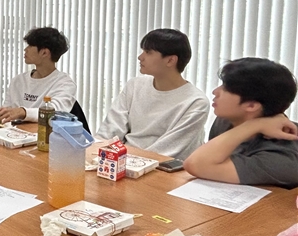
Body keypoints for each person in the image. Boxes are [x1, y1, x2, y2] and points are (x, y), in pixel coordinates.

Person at [183, 58, 298, 189]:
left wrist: (254, 125)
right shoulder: (227, 120)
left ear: (251, 105)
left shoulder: (281, 156)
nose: (215, 92)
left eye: (226, 88)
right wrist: (256, 125)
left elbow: (196, 164)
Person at [96, 28, 210, 160]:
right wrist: (97, 151)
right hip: (121, 161)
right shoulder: (135, 86)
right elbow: (110, 131)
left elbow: (167, 150)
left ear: (170, 60)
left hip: (161, 166)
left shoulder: (196, 102)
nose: (140, 57)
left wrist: (123, 160)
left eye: (148, 52)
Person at [0, 27, 77, 124]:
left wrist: (23, 112)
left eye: (30, 46)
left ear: (44, 53)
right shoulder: (18, 80)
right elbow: (6, 113)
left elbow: (55, 113)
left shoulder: (65, 84)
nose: (25, 49)